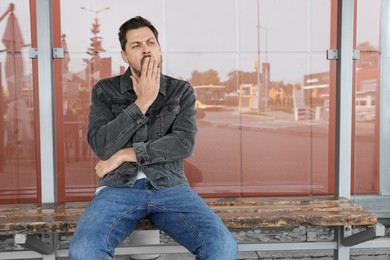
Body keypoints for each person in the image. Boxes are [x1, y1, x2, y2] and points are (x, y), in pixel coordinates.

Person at [69, 16, 238, 260]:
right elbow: (101, 145)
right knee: (84, 252)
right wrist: (143, 102)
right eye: (136, 45)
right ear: (125, 56)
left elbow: (183, 143)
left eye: (151, 42)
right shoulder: (105, 90)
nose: (146, 49)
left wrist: (127, 153)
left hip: (170, 186)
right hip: (118, 188)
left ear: (159, 49)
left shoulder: (180, 91)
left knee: (222, 248)